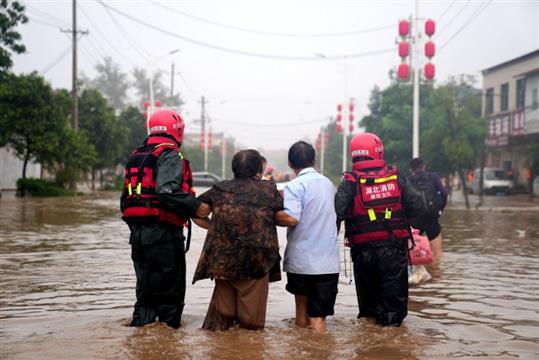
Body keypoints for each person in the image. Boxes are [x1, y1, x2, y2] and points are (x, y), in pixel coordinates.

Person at [120, 109, 210, 329]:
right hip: (163, 236)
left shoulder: (136, 156)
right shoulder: (168, 153)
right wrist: (196, 207)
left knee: (145, 296)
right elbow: (166, 190)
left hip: (138, 237)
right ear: (176, 130)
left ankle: (142, 339)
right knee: (170, 296)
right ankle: (168, 344)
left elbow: (125, 201)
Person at [192, 149, 297, 331]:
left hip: (223, 261)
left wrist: (216, 228)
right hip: (256, 262)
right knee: (251, 325)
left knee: (220, 323)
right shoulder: (268, 189)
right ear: (259, 169)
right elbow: (281, 215)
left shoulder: (219, 189)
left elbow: (195, 213)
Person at [335, 133, 425, 327]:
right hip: (394, 248)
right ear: (378, 151)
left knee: (368, 309)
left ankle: (368, 346)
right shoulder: (396, 175)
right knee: (393, 308)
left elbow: (338, 212)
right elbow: (418, 205)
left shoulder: (350, 181)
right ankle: (391, 344)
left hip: (363, 252)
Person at [282, 141, 339, 333]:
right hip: (327, 262)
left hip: (302, 261)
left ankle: (302, 350)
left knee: (301, 312)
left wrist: (271, 216)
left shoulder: (294, 186)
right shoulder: (329, 184)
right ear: (314, 160)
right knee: (319, 317)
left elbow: (291, 218)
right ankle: (318, 349)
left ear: (290, 164)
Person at [409, 157, 448, 261]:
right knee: (437, 254)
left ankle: (418, 275)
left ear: (411, 169)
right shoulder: (433, 177)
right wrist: (440, 210)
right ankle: (436, 275)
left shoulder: (408, 180)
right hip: (432, 218)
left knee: (413, 256)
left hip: (414, 221)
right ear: (424, 166)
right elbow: (444, 193)